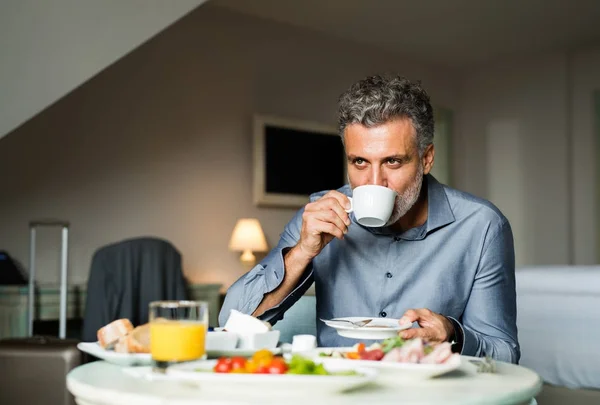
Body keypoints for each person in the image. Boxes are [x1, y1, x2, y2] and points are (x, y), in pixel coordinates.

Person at [219, 74, 519, 364]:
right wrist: (302, 252)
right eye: (360, 162)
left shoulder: (481, 226)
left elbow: (505, 354)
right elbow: (231, 320)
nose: (374, 182)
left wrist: (453, 334)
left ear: (426, 159)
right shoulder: (320, 215)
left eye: (392, 161)